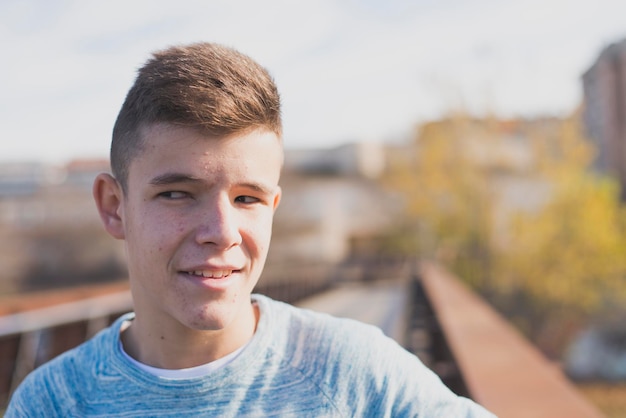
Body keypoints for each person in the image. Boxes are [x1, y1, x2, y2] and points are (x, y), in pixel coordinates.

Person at [6, 42, 495, 417]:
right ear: (115, 207)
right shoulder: (53, 403)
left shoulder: (354, 375)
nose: (222, 231)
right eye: (177, 193)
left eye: (247, 199)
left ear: (273, 207)